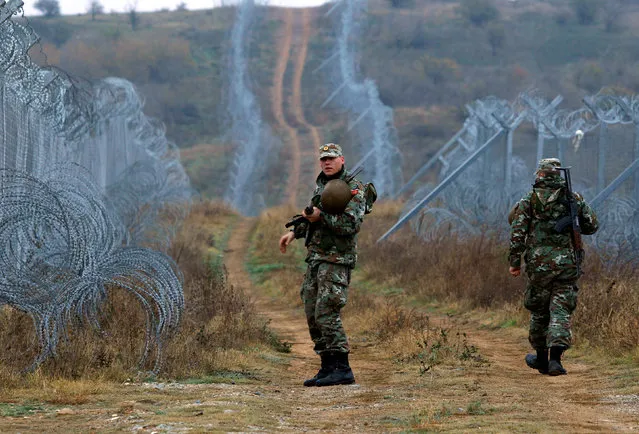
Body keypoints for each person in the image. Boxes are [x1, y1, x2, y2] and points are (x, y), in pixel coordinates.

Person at [279, 143, 366, 387]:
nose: (327, 163)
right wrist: (294, 233)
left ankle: (342, 368)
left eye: (331, 158)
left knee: (327, 311)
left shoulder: (353, 189)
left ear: (342, 160)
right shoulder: (323, 186)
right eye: (323, 159)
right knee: (312, 312)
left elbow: (350, 225)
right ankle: (327, 367)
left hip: (337, 260)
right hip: (317, 258)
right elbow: (312, 218)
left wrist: (322, 217)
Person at [509, 158, 598, 376]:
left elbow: (517, 231)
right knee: (560, 310)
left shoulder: (529, 199)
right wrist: (573, 212)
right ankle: (555, 360)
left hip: (539, 265)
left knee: (539, 311)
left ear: (539, 175)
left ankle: (541, 358)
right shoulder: (572, 197)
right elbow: (592, 225)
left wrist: (514, 262)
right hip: (566, 263)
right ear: (557, 175)